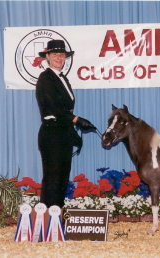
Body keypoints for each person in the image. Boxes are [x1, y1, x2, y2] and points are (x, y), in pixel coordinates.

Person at [36, 39, 95, 208]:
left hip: (63, 132)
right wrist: (75, 120)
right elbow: (52, 105)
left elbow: (65, 109)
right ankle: (48, 217)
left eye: (62, 55)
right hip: (52, 131)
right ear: (47, 56)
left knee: (62, 176)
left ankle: (58, 215)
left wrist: (72, 131)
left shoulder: (63, 78)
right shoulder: (45, 78)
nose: (59, 58)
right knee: (53, 177)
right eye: (55, 54)